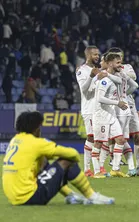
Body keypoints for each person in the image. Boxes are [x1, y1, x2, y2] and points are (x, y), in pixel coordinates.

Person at [2, 111, 115, 205]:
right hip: (30, 197)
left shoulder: (14, 140)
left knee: (43, 161)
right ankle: (92, 196)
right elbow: (74, 154)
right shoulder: (36, 143)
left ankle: (70, 196)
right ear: (36, 129)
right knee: (67, 160)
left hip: (14, 198)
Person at [107, 47, 139, 176]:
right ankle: (114, 162)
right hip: (116, 106)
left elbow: (133, 79)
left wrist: (123, 94)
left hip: (129, 105)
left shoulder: (127, 67)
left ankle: (138, 167)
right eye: (115, 57)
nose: (119, 59)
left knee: (136, 136)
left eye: (120, 56)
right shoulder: (109, 71)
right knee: (116, 137)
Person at [92, 53, 129, 178]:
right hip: (101, 115)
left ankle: (115, 169)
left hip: (111, 114)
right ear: (110, 64)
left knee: (120, 140)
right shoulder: (104, 81)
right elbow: (99, 98)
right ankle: (96, 171)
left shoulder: (113, 77)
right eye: (118, 63)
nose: (120, 65)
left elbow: (120, 81)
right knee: (98, 143)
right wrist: (117, 102)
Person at [76, 45, 100, 177]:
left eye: (98, 54)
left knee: (100, 138)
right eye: (95, 54)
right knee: (91, 137)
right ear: (88, 55)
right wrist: (91, 76)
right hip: (89, 108)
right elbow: (84, 90)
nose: (97, 56)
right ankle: (87, 169)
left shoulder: (98, 70)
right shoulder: (82, 70)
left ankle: (99, 168)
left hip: (99, 109)